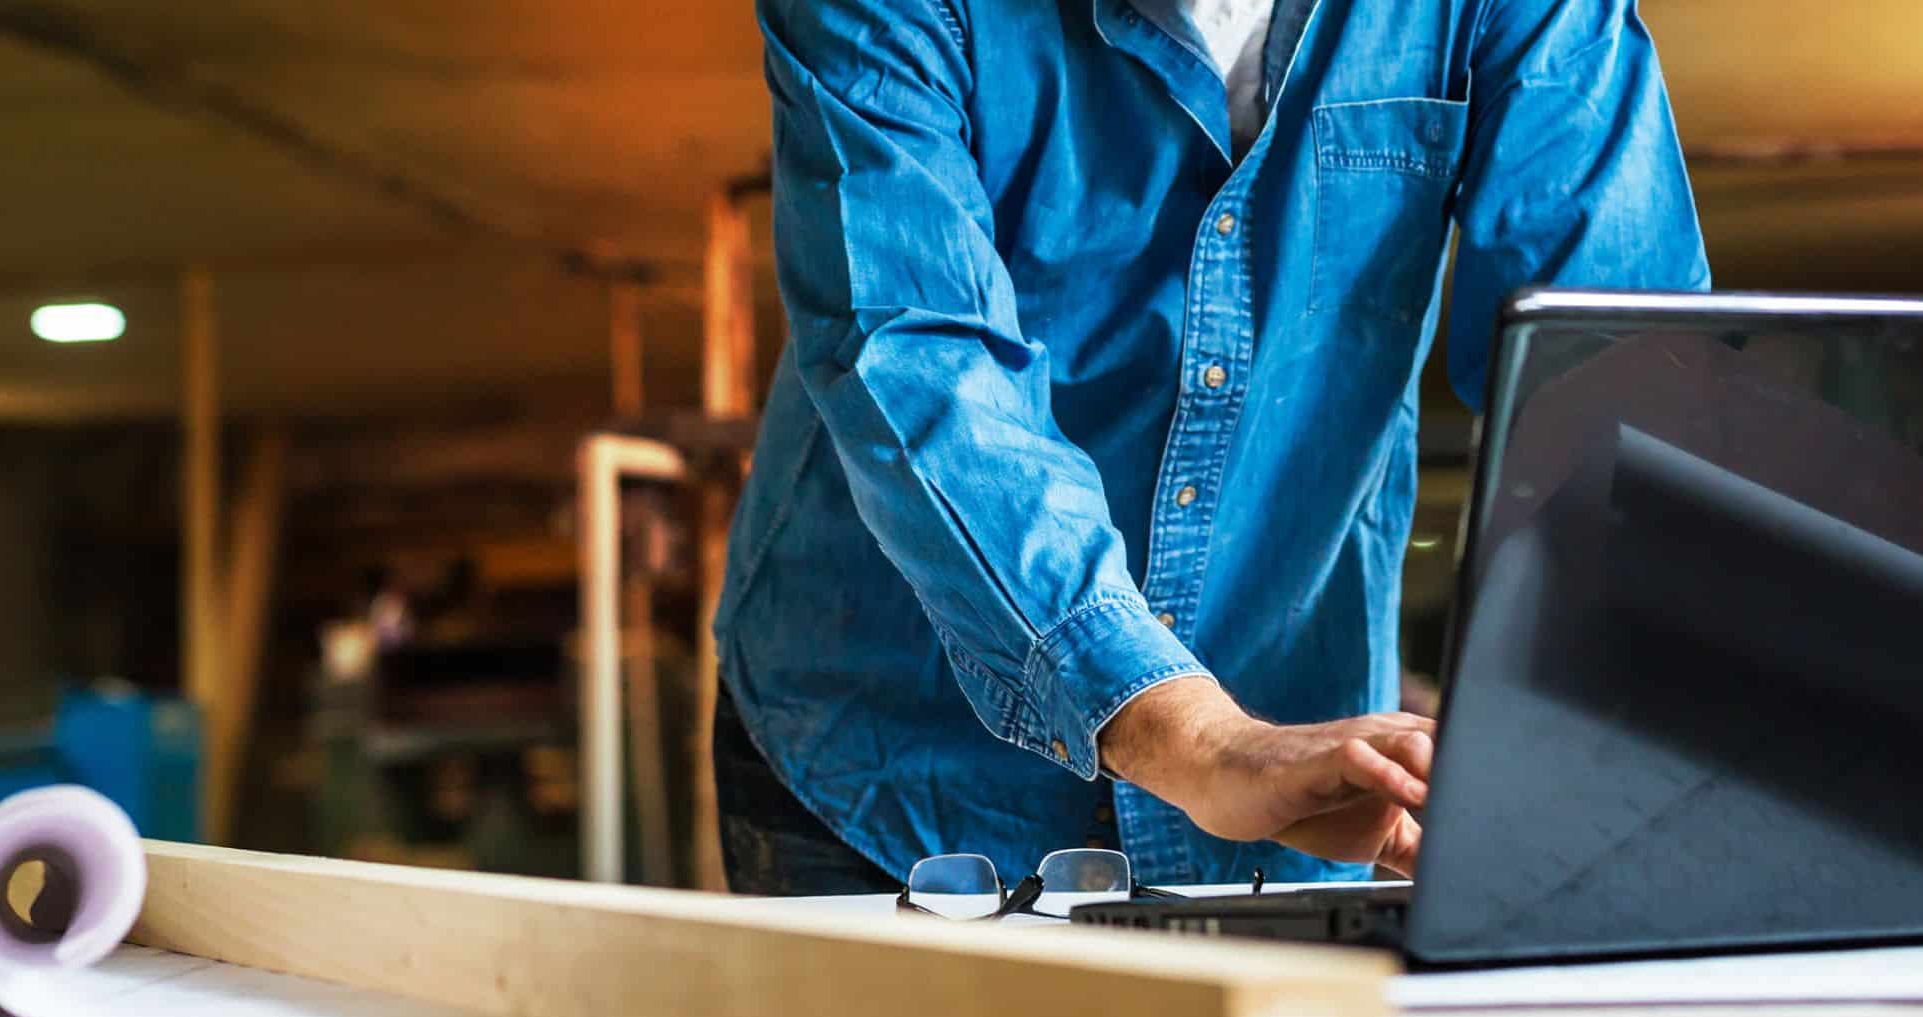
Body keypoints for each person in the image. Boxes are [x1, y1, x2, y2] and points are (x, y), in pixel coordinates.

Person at [711, 0, 1709, 895]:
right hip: (899, 767)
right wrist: (1194, 736)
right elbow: (920, 362)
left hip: (1303, 769)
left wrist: (1624, 716)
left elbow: (1607, 370)